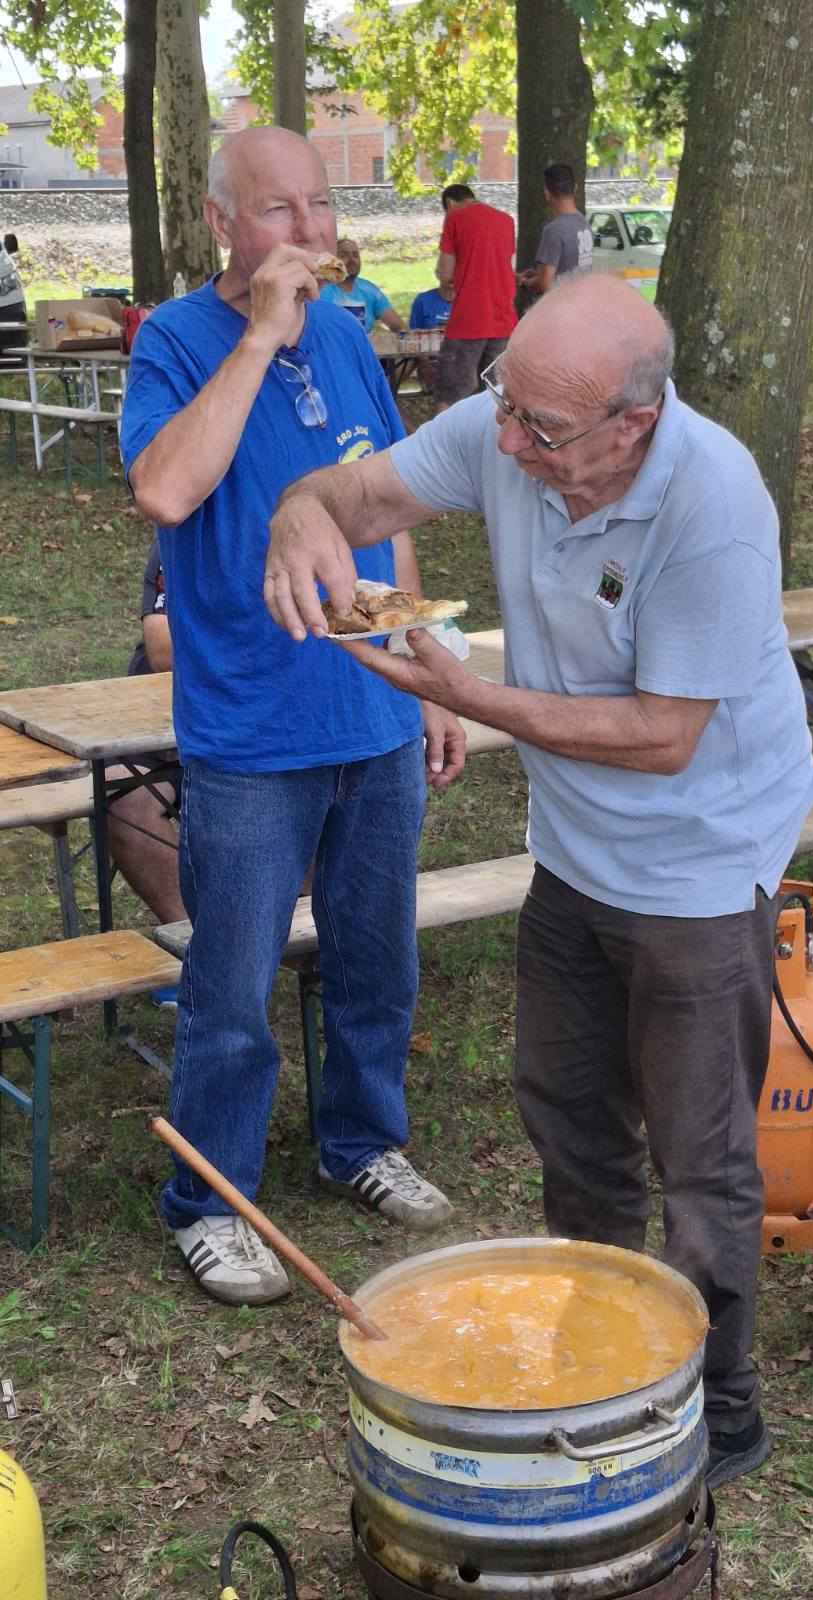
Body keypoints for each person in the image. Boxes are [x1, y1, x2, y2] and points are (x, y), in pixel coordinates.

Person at [262, 271, 813, 1489]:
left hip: (700, 857)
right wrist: (299, 515)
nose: (509, 443)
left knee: (701, 1154)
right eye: (504, 404)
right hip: (573, 852)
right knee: (568, 1112)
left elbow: (664, 735)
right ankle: (607, 1352)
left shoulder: (713, 501)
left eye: (543, 427)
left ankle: (717, 1402)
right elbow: (354, 491)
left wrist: (469, 696)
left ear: (635, 422)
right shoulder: (512, 422)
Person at [119, 125, 464, 1309]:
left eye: (320, 204)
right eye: (279, 210)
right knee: (233, 982)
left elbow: (388, 498)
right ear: (222, 223)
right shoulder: (177, 339)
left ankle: (362, 1141)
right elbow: (165, 489)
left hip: (372, 708)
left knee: (376, 958)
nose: (310, 231)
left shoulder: (351, 332)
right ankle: (209, 1199)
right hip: (253, 727)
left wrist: (419, 662)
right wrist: (261, 334)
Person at [106, 535, 187, 1009]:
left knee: (315, 781)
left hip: (269, 730)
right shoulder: (183, 528)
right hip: (165, 722)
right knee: (121, 791)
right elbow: (163, 652)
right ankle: (193, 942)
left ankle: (301, 936)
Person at [434, 183, 516, 412]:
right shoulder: (506, 220)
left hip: (468, 319)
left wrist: (443, 274)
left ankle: (441, 436)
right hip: (503, 319)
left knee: (450, 394)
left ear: (450, 203)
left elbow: (446, 271)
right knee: (497, 396)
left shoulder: (455, 218)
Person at [517, 162, 593, 296]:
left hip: (563, 303)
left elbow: (544, 284)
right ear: (575, 188)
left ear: (547, 193)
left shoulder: (554, 230)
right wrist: (538, 274)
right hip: (583, 298)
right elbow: (570, 268)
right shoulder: (584, 223)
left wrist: (523, 282)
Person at [318, 238, 406, 335]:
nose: (351, 260)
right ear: (333, 261)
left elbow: (400, 327)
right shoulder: (320, 290)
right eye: (344, 255)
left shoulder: (369, 290)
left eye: (355, 255)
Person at [409, 279, 454, 394]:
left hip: (461, 363)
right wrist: (424, 363)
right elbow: (413, 336)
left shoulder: (470, 301)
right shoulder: (423, 300)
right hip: (431, 362)